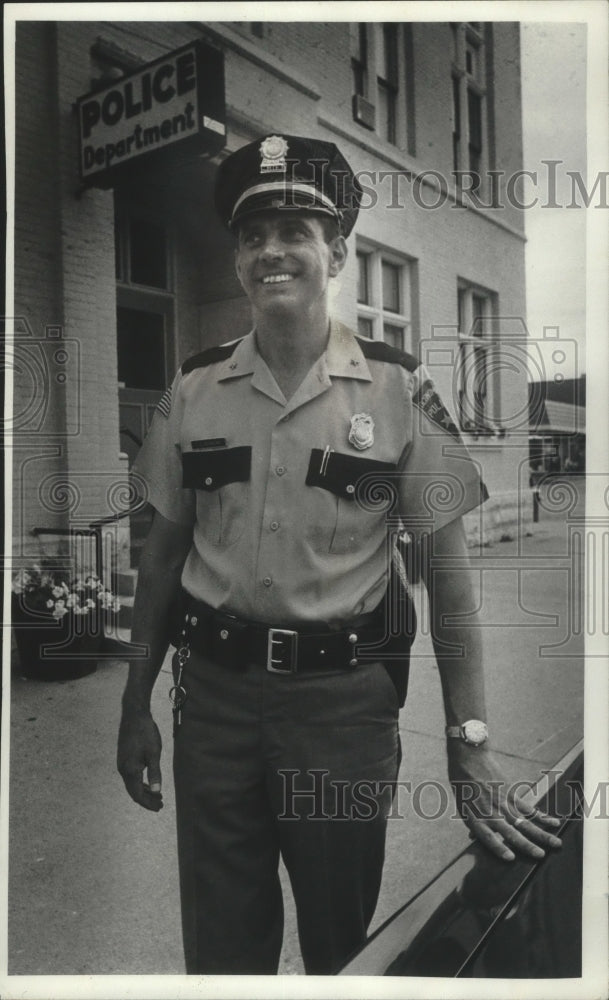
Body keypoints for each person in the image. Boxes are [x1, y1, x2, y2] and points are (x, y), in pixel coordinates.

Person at [117, 134, 562, 975]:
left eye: (294, 229)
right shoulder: (193, 387)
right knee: (220, 952)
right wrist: (134, 702)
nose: (269, 251)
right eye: (252, 235)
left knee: (341, 950)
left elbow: (451, 583)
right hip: (210, 705)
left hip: (340, 712)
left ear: (337, 251)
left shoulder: (397, 390)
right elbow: (162, 556)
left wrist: (468, 742)